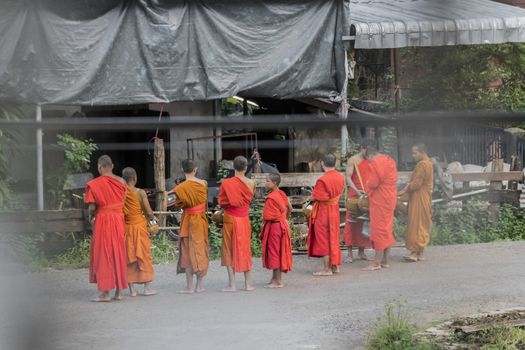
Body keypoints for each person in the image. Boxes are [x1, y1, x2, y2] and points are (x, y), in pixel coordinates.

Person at [84, 155, 127, 302]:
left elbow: (91, 207)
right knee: (118, 252)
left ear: (99, 167)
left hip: (103, 219)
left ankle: (105, 293)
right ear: (112, 166)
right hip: (118, 219)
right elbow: (123, 201)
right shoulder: (122, 182)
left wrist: (91, 215)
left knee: (104, 253)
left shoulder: (95, 184)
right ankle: (119, 292)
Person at [219, 155, 256, 292]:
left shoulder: (226, 183)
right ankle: (248, 284)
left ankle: (232, 285)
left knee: (228, 249)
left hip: (230, 218)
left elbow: (222, 202)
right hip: (244, 219)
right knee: (245, 248)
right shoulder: (251, 183)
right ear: (246, 167)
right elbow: (249, 199)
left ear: (233, 167)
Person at [174, 159, 209, 293]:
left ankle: (189, 287)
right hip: (200, 220)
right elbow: (204, 200)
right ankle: (199, 286)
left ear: (183, 170)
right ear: (195, 170)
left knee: (188, 252)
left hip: (188, 221)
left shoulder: (180, 188)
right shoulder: (204, 183)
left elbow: (179, 204)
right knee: (200, 249)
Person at [307, 153, 345, 276]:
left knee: (323, 239)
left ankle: (326, 269)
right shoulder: (340, 177)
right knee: (333, 237)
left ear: (322, 163)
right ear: (336, 163)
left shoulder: (322, 180)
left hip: (324, 211)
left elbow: (317, 197)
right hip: (334, 209)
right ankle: (335, 266)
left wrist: (310, 197)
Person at [122, 167, 156, 297]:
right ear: (135, 178)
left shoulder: (121, 192)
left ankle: (132, 290)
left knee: (129, 256)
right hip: (140, 227)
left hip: (127, 228)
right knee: (144, 255)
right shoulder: (140, 192)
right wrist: (152, 218)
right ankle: (147, 288)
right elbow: (148, 212)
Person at [363, 146, 398, 271]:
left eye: (368, 160)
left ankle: (376, 262)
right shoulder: (390, 160)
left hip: (380, 200)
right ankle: (385, 261)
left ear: (370, 156)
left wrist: (367, 185)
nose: (369, 163)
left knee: (379, 230)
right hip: (390, 198)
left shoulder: (377, 163)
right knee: (387, 228)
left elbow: (373, 183)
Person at [399, 144, 433, 262]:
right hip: (425, 197)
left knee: (416, 224)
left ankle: (414, 253)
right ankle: (421, 253)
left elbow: (416, 184)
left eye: (415, 153)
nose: (413, 156)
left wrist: (405, 189)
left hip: (419, 197)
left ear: (422, 152)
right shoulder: (429, 163)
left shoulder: (422, 164)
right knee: (423, 223)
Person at [260, 173, 293, 288]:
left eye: (267, 181)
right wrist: (285, 220)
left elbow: (267, 216)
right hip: (281, 225)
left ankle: (278, 281)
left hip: (275, 228)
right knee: (277, 251)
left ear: (274, 183)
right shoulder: (281, 194)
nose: (265, 183)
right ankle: (274, 278)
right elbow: (290, 208)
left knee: (275, 252)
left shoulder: (271, 197)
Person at [344, 144, 371, 263]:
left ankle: (361, 251)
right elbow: (348, 177)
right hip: (354, 195)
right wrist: (356, 190)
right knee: (351, 223)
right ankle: (350, 254)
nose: (368, 153)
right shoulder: (353, 160)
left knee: (364, 223)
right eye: (367, 150)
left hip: (367, 195)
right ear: (362, 148)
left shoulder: (371, 160)